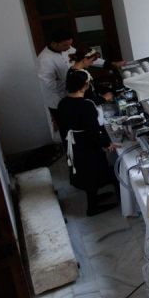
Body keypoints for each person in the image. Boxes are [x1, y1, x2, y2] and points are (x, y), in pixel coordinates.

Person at [57, 69, 118, 216]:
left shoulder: (63, 103)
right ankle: (92, 208)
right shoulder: (86, 105)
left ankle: (95, 198)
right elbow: (93, 130)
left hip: (74, 143)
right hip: (86, 144)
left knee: (84, 171)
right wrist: (106, 144)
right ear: (85, 85)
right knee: (92, 172)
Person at [37, 29, 75, 126]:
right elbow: (50, 84)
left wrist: (106, 63)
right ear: (54, 43)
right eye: (65, 45)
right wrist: (73, 83)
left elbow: (83, 58)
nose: (69, 48)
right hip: (58, 101)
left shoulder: (68, 48)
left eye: (70, 44)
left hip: (72, 96)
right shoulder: (44, 59)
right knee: (66, 128)